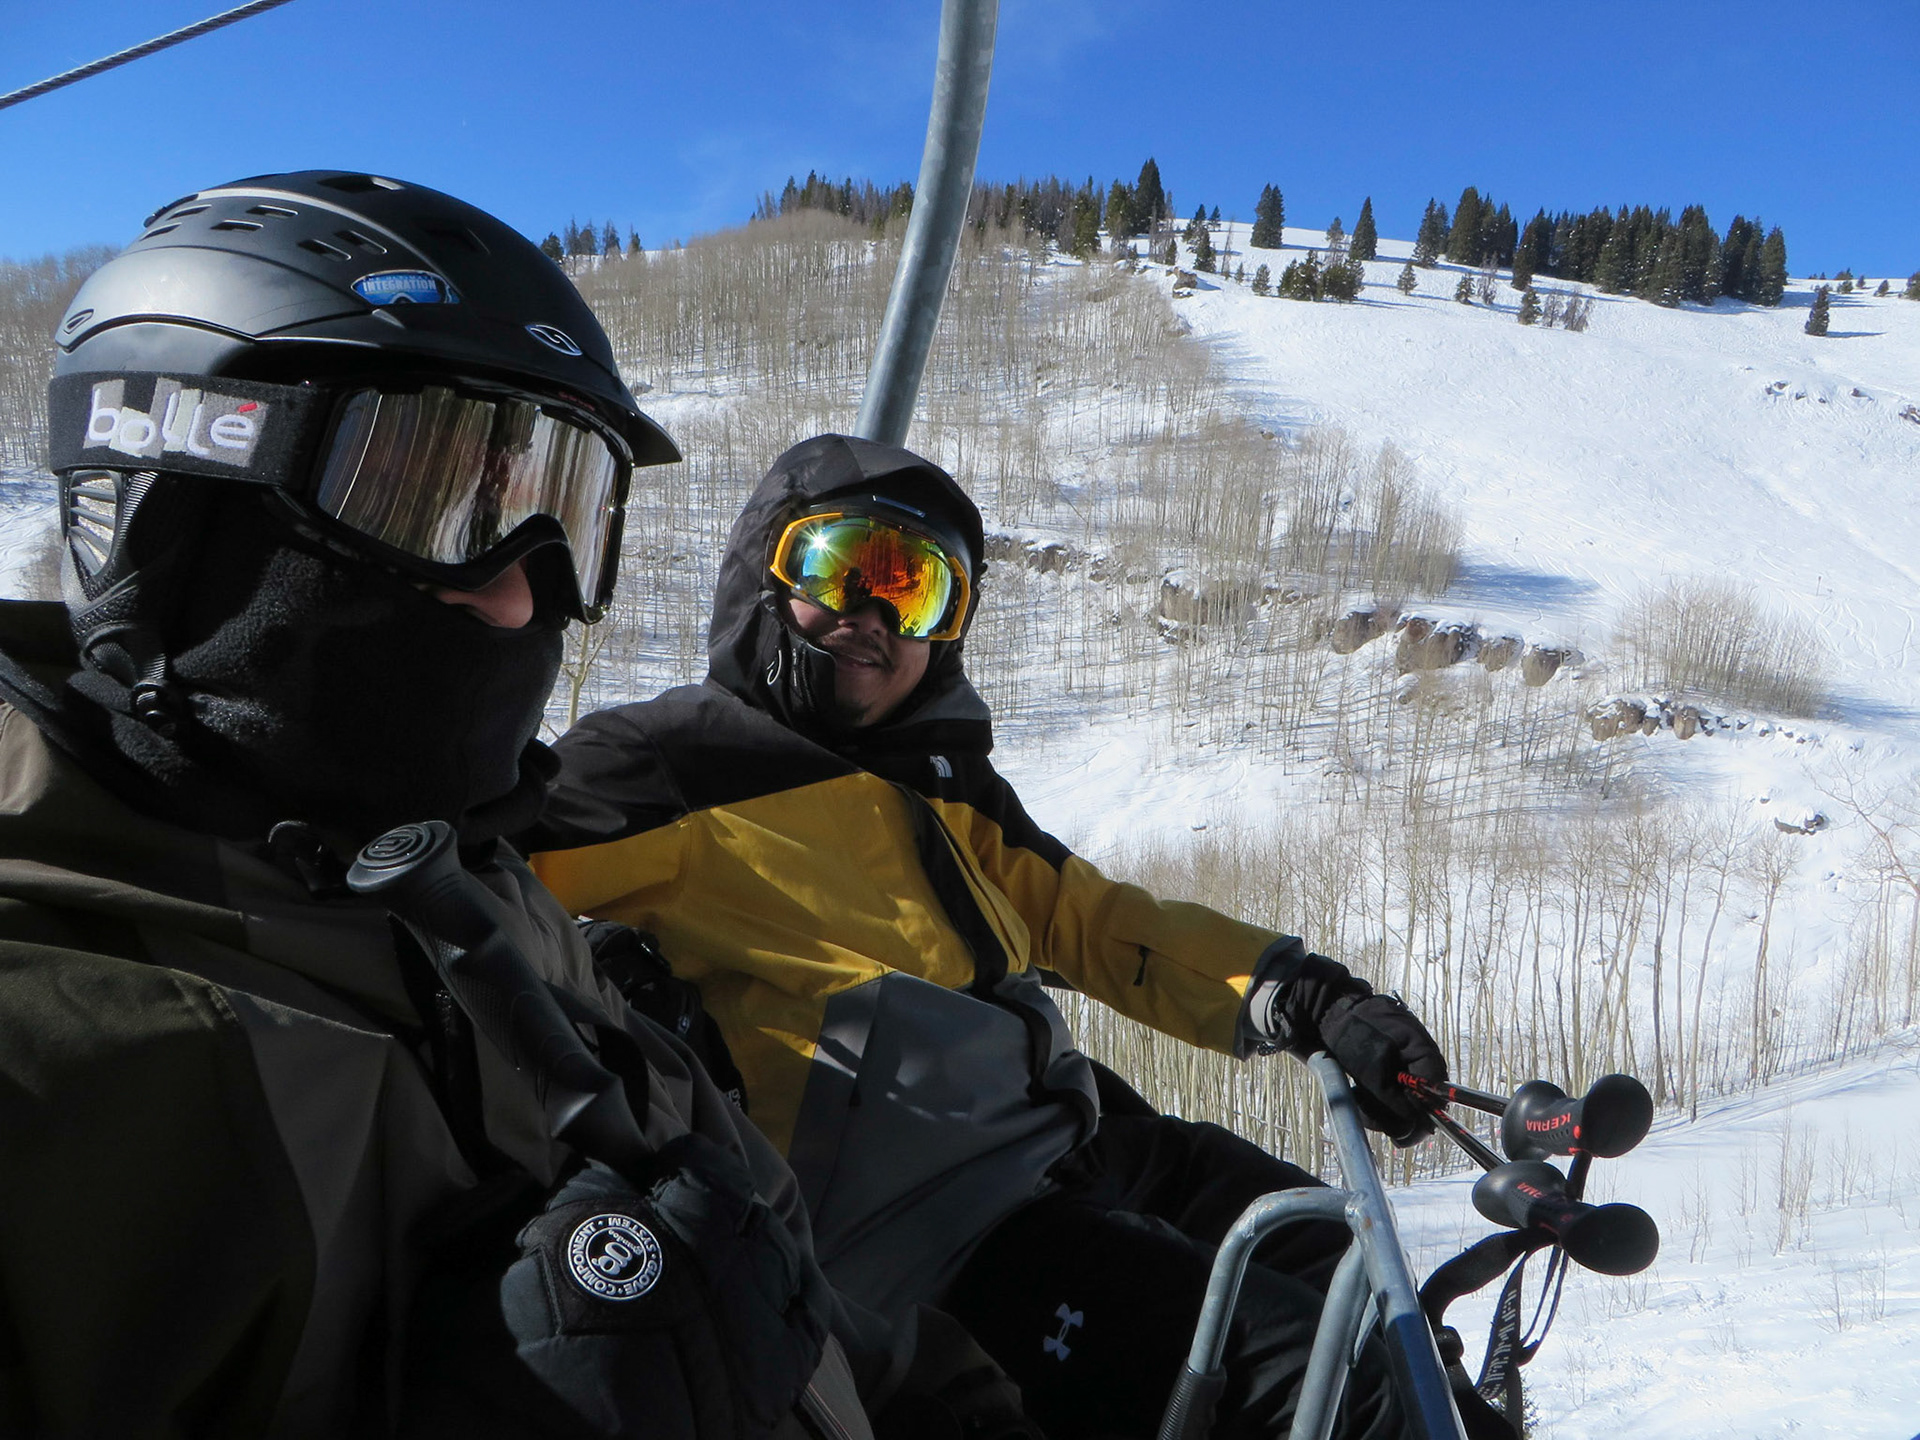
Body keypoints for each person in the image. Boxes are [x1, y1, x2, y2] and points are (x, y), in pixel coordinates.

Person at [0, 174, 907, 1439]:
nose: (523, 600)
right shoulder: (47, 1051)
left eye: (565, 516)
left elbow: (780, 1270)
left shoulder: (494, 905)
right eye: (443, 500)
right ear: (177, 493)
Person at [525, 435, 1477, 1439]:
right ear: (765, 570)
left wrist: (1309, 995)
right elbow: (482, 847)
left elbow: (1097, 922)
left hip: (1083, 1152)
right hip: (945, 1242)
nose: (874, 616)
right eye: (840, 567)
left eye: (918, 591)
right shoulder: (674, 766)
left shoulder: (948, 797)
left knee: (1369, 1281)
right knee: (1346, 1396)